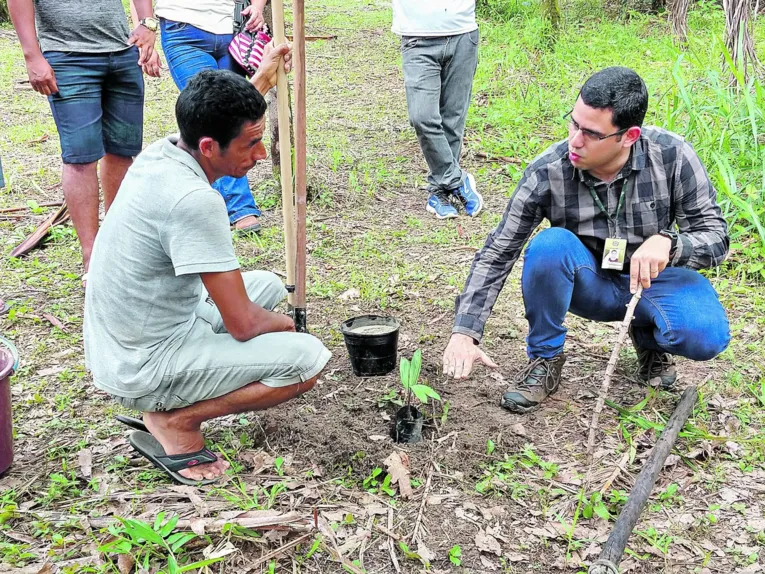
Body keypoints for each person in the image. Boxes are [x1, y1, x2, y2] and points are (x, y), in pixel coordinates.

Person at [83, 44, 331, 484]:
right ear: (209, 146)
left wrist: (262, 78)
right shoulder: (196, 201)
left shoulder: (164, 152)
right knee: (305, 358)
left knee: (267, 284)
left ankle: (178, 398)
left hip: (127, 335)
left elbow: (218, 123)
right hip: (144, 361)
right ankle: (176, 422)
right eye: (251, 144)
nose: (258, 155)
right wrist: (286, 326)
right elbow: (243, 325)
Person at [442, 67, 730, 413]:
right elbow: (498, 252)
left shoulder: (672, 157)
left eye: (591, 133)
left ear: (629, 135)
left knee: (706, 334)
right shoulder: (548, 171)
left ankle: (649, 338)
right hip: (589, 281)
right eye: (573, 123)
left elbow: (716, 236)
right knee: (550, 246)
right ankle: (545, 360)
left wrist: (670, 243)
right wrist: (465, 332)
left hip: (652, 282)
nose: (574, 140)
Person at [8, 0, 159, 285]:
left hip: (122, 51)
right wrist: (32, 56)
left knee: (122, 152)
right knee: (80, 157)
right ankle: (92, 256)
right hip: (68, 57)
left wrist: (148, 23)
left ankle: (117, 248)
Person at [152, 0, 270, 232]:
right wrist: (145, 25)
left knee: (236, 116)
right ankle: (240, 207)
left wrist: (257, 6)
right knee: (213, 115)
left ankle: (212, 200)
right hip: (182, 27)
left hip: (233, 27)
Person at [392, 0, 484, 220]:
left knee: (453, 120)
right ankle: (457, 180)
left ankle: (438, 191)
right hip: (417, 38)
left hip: (463, 33)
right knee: (422, 116)